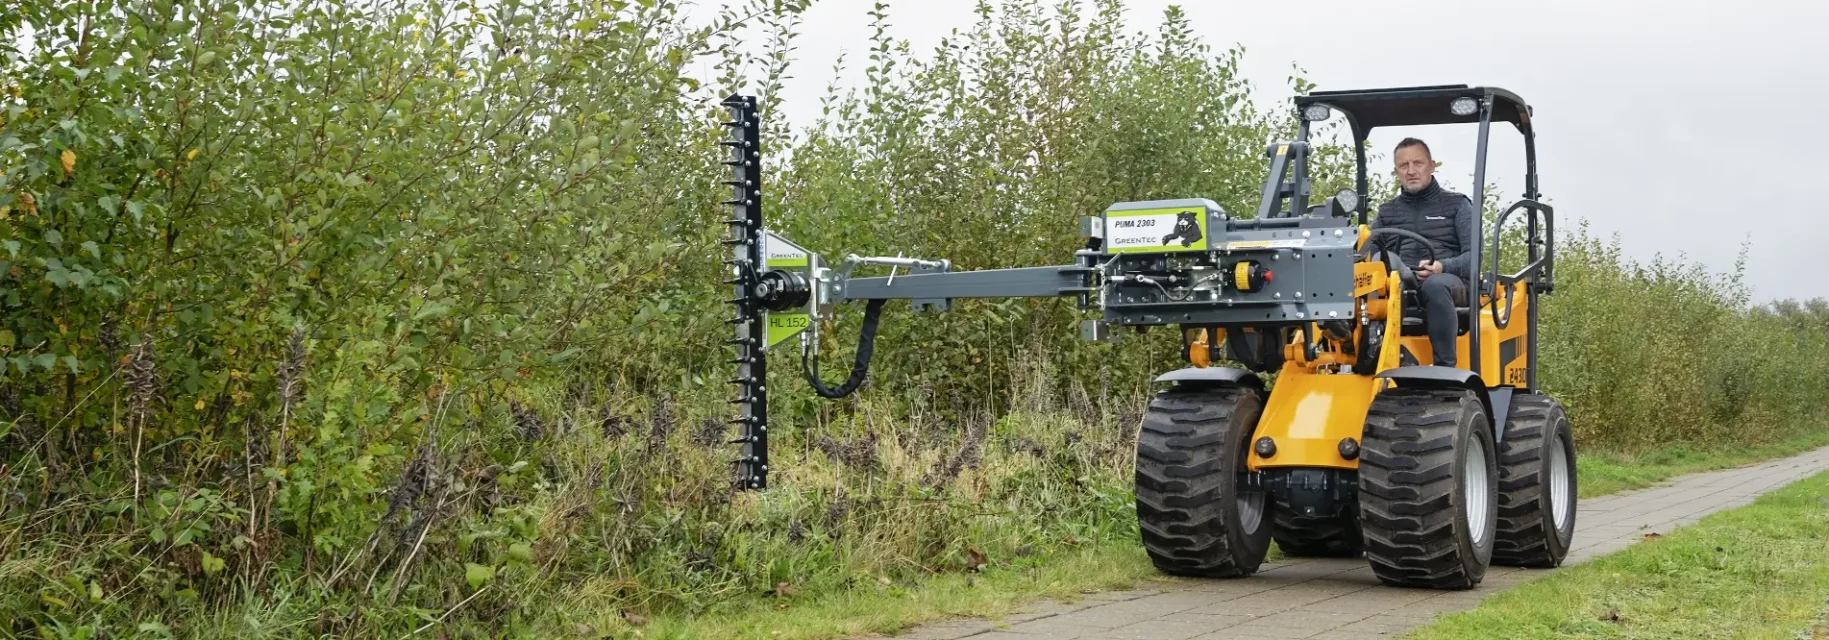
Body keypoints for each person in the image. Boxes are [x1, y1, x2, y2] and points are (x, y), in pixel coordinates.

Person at [1372, 137, 1476, 368]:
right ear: (1396, 171)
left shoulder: (1457, 205)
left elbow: (1474, 258)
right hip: (1401, 281)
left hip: (1450, 281)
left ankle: (1445, 368)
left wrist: (1442, 266)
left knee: (1435, 285)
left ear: (1432, 165)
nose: (1411, 171)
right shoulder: (1387, 212)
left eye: (1417, 163)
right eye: (1403, 165)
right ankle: (1367, 361)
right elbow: (1367, 252)